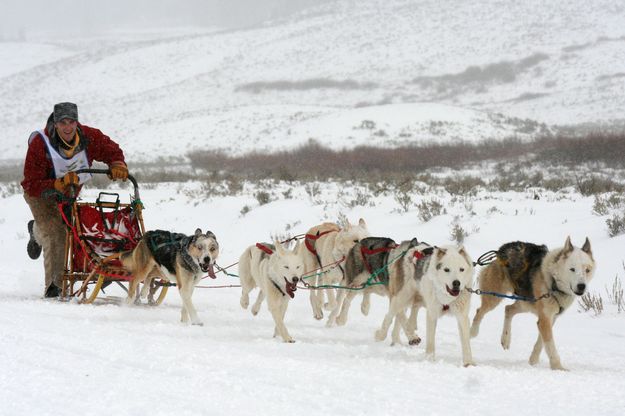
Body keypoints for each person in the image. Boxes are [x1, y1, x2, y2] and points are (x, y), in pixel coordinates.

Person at [21, 102, 129, 298]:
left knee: (77, 231)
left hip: (69, 194)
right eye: (63, 122)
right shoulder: (40, 143)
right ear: (55, 123)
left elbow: (111, 150)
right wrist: (55, 184)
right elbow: (30, 183)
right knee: (57, 233)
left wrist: (117, 163)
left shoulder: (89, 137)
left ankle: (36, 231)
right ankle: (55, 287)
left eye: (72, 121)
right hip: (41, 195)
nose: (68, 127)